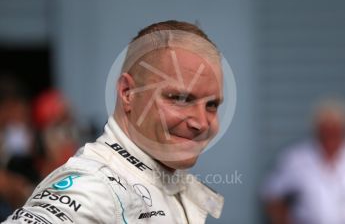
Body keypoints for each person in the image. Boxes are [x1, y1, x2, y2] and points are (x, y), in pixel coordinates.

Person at [2, 20, 224, 223]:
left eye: (212, 105)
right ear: (128, 93)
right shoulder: (93, 186)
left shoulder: (167, 181)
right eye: (181, 99)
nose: (202, 123)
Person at [261, 100, 345, 224]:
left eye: (334, 130)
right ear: (317, 130)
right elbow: (271, 195)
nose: (330, 135)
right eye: (326, 130)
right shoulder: (296, 158)